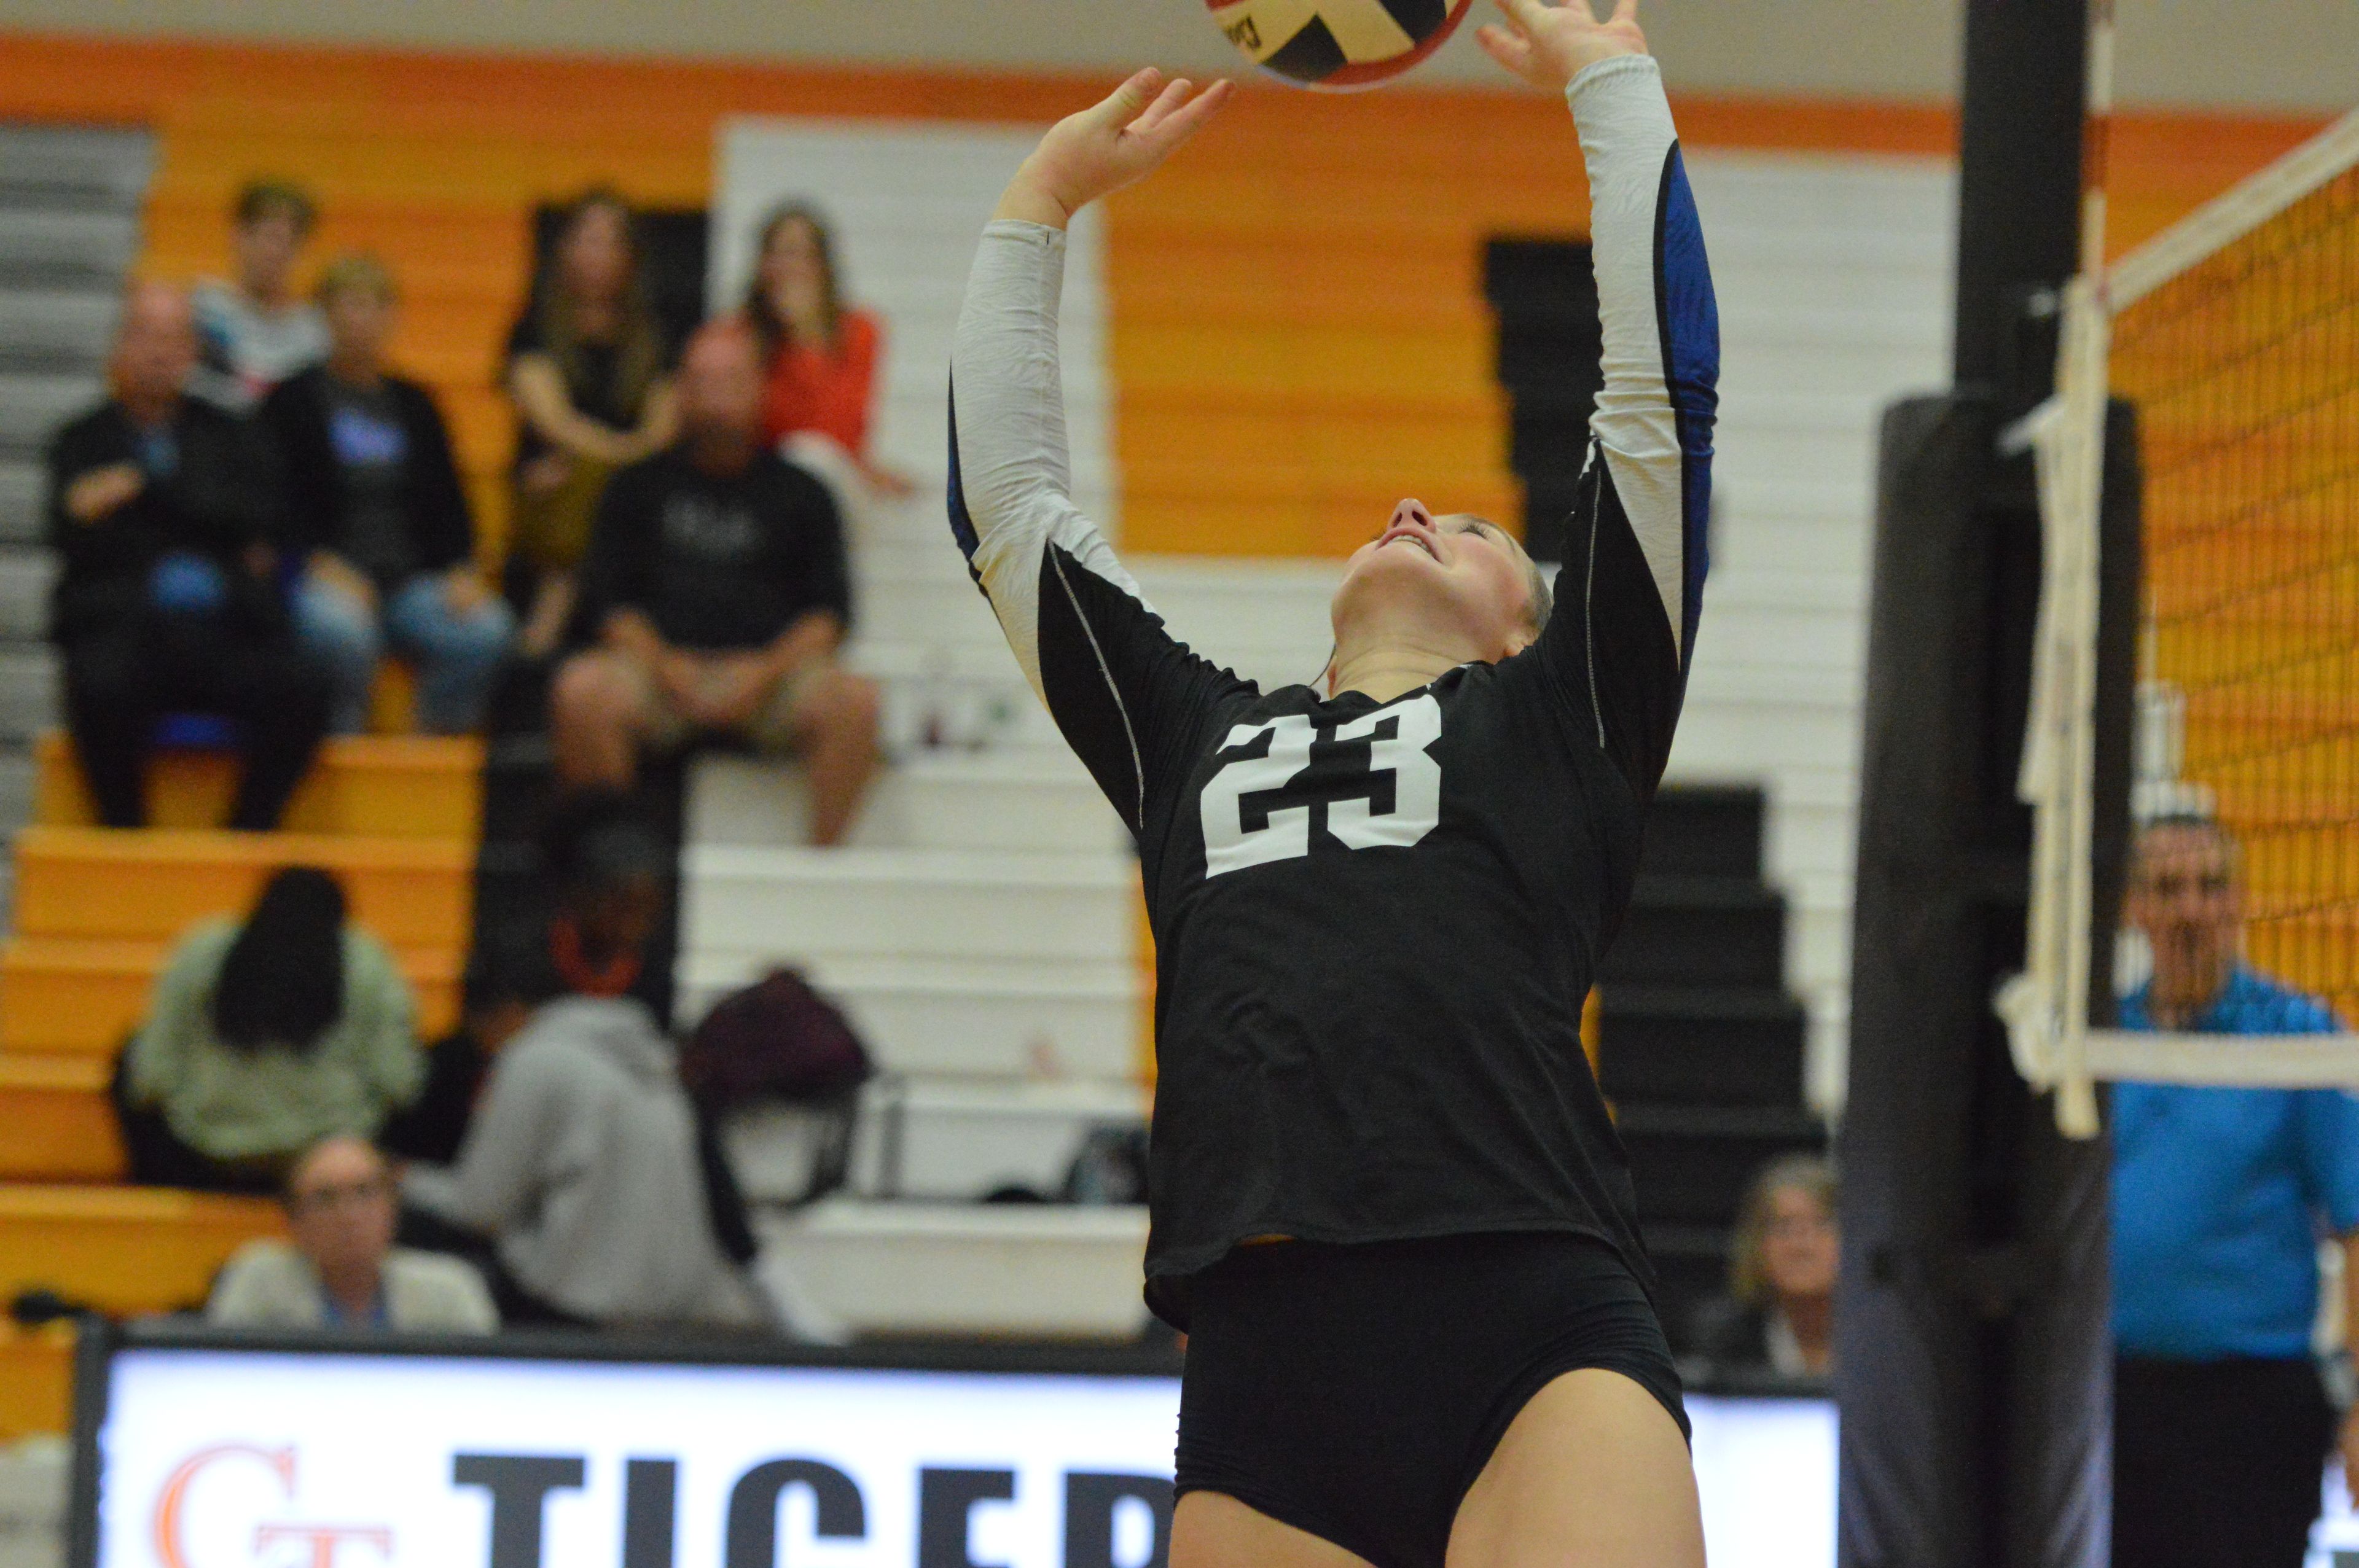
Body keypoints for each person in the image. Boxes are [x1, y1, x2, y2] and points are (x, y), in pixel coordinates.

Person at [949, 1, 1716, 1561]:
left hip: (1531, 1323)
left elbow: (1656, 411)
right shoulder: (1196, 739)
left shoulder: (1564, 723)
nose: (1420, 504)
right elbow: (1007, 510)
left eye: (1482, 532)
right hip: (1263, 1364)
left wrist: (1611, 88)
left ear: (1523, 626)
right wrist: (1039, 201)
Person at [402, 803, 764, 1329]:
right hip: (511, 1110)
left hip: (595, 1123)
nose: (635, 921)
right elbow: (484, 1036)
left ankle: (751, 1265)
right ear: (584, 898)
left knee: (684, 1119)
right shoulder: (525, 952)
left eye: (648, 907)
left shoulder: (652, 971)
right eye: (623, 904)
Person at [2110, 813, 2359, 1568]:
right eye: (2167, 888)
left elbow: (2356, 1226)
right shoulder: (2100, 1036)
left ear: (2241, 901)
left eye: (2210, 887)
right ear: (2133, 908)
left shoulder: (2299, 1035)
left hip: (2251, 1408)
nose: (2190, 909)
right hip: (2114, 1399)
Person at [551, 321, 879, 846]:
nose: (715, 398)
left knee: (855, 703)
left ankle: (822, 868)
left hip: (769, 676)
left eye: (729, 380)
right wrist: (665, 666)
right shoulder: (636, 486)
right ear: (681, 389)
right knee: (583, 691)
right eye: (702, 381)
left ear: (759, 387)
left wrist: (764, 673)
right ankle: (618, 861)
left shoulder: (803, 492)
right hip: (661, 670)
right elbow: (610, 606)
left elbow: (829, 616)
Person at [47, 281, 332, 830]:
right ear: (119, 346)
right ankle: (125, 836)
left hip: (224, 632)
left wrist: (140, 491)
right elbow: (77, 541)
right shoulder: (80, 441)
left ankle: (246, 834)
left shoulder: (232, 434)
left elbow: (253, 515)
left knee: (305, 686)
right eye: (146, 336)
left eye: (174, 339)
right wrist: (201, 523)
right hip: (127, 632)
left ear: (193, 352)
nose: (159, 353)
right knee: (94, 685)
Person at [262, 254, 515, 735]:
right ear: (325, 315)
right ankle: (343, 742)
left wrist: (462, 569)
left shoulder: (416, 404)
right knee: (341, 632)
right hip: (327, 571)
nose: (363, 320)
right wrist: (314, 561)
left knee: (487, 630)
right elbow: (273, 503)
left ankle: (433, 740)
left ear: (392, 317)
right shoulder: (291, 401)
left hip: (409, 579)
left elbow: (448, 498)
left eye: (376, 306)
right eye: (350, 305)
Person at [117, 868, 424, 1193]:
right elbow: (400, 1083)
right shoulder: (367, 961)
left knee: (128, 1051)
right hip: (331, 1159)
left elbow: (149, 1078)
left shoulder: (201, 950)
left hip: (208, 1155)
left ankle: (151, 1187)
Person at [503, 187, 678, 657]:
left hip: (623, 489)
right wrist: (618, 462)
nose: (598, 255)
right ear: (564, 249)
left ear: (630, 256)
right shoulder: (533, 328)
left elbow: (662, 431)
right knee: (577, 477)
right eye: (588, 240)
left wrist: (612, 467)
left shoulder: (654, 335)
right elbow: (555, 424)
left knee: (592, 479)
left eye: (611, 242)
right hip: (549, 496)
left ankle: (547, 626)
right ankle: (560, 623)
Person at [207, 1135, 498, 1332]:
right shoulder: (258, 1281)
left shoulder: (450, 1288)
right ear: (294, 1221)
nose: (350, 1215)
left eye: (366, 1192)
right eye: (325, 1198)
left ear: (393, 1207)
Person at [743, 203, 911, 497]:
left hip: (831, 482)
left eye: (797, 254)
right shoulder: (741, 336)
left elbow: (839, 431)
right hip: (762, 483)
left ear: (823, 265)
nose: (787, 268)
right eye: (776, 254)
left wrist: (805, 338)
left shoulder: (860, 331)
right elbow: (767, 430)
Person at [1687, 1154, 1837, 1379]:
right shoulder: (1723, 1342)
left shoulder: (1889, 1339)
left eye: (1820, 1225)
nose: (1800, 1247)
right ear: (1756, 1246)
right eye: (1783, 1228)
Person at [190, 179, 329, 410]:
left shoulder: (316, 331)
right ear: (238, 235)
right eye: (267, 236)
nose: (275, 252)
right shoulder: (201, 309)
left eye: (287, 241)